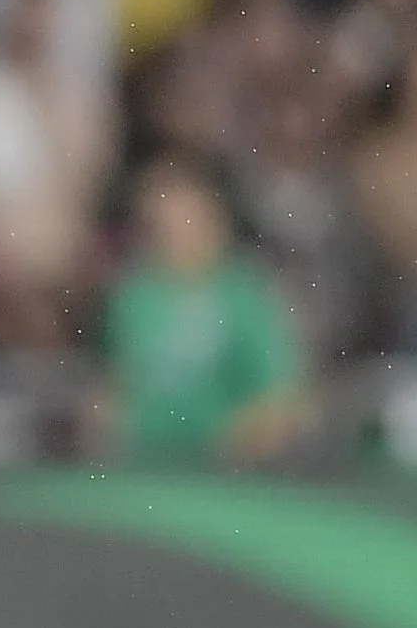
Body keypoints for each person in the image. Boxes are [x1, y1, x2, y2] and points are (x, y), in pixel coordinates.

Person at [103, 161, 311, 464]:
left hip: (227, 470)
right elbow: (114, 391)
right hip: (142, 467)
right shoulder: (132, 295)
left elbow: (284, 396)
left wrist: (232, 441)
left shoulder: (246, 292)